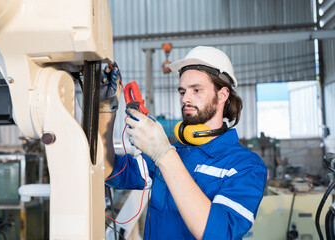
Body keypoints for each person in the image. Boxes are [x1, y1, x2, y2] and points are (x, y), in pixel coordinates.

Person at [99, 46, 267, 240]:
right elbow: (109, 171)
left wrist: (164, 154)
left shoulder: (245, 166)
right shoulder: (177, 152)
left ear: (222, 95)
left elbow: (219, 234)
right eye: (182, 91)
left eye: (196, 90)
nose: (185, 98)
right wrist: (105, 110)